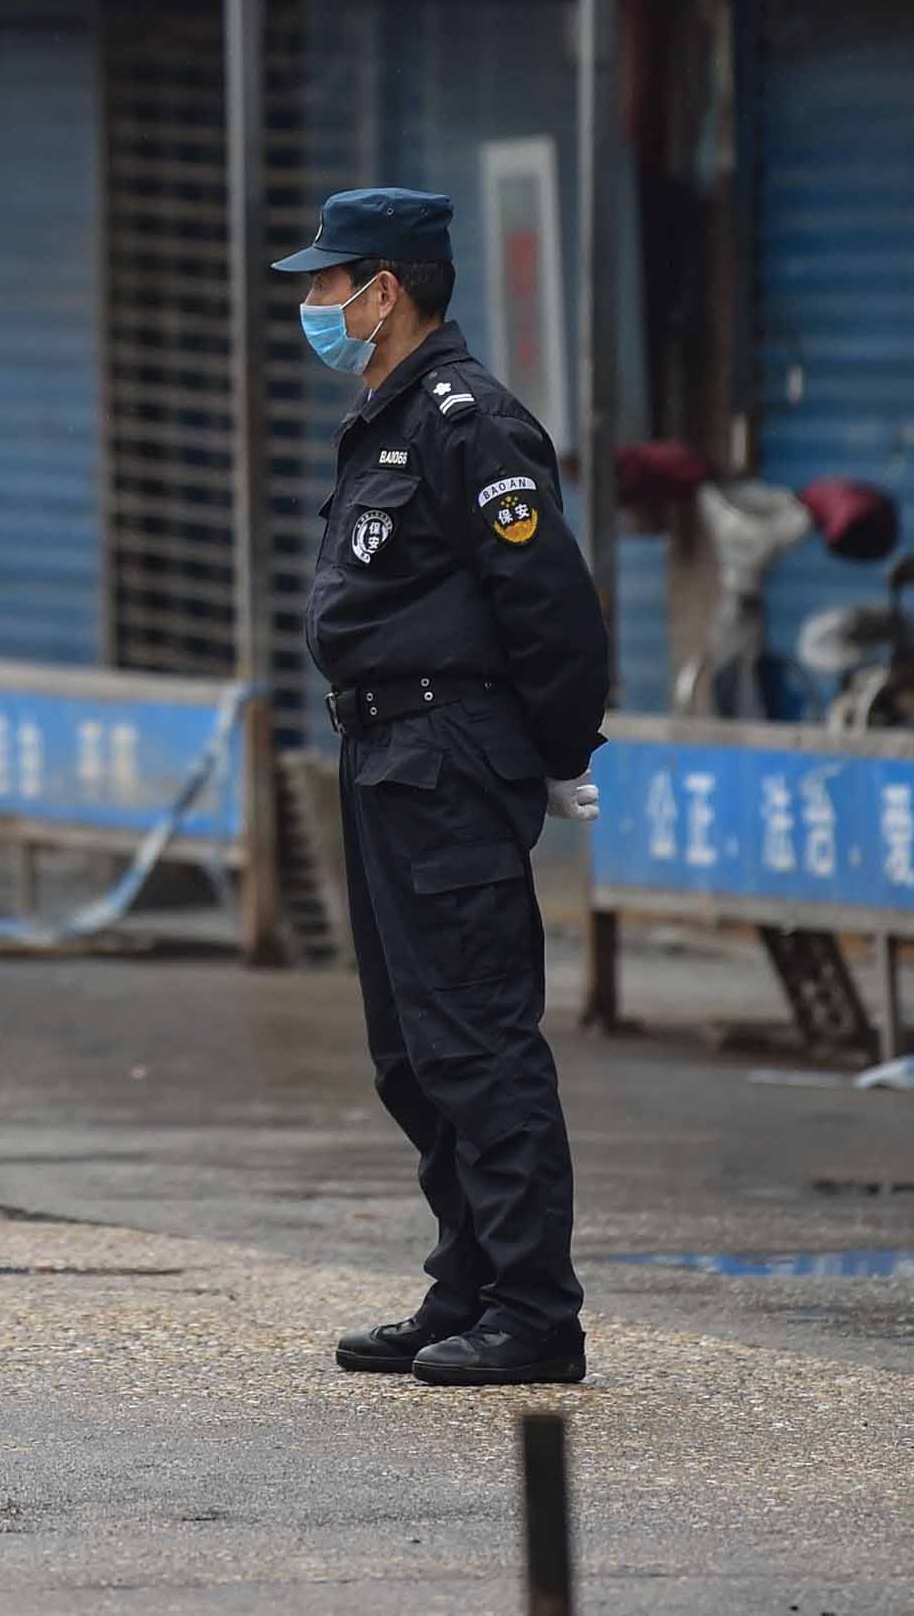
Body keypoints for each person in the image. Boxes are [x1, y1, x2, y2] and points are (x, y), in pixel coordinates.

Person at [277, 187, 610, 1389]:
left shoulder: (474, 422)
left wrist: (563, 750)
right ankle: (467, 1281)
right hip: (383, 757)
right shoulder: (388, 416)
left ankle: (535, 1310)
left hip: (448, 754)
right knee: (409, 1050)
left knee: (477, 1037)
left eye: (329, 283)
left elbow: (551, 607)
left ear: (389, 288)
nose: (315, 305)